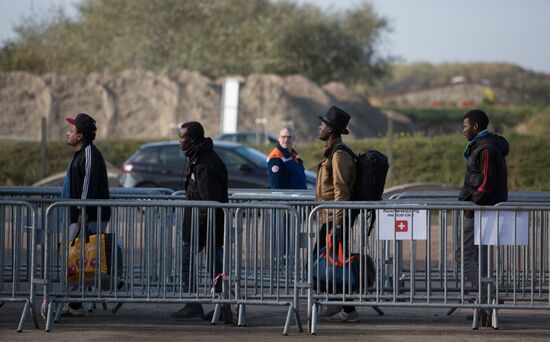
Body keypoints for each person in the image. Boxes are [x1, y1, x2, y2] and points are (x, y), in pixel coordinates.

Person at [171, 121, 229, 320]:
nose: (180, 141)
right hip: (203, 224)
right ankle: (212, 305)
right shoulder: (199, 157)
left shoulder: (205, 161)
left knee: (201, 264)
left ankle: (208, 305)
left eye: (183, 137)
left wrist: (199, 228)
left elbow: (209, 200)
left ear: (193, 139)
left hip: (205, 225)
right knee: (214, 266)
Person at [457, 109, 509, 327]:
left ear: (476, 126)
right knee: (481, 261)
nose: (463, 130)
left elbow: (486, 183)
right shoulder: (482, 146)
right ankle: (487, 308)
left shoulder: (486, 148)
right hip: (482, 210)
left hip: (479, 210)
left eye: (465, 126)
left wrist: (471, 207)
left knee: (463, 257)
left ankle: (491, 297)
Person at [62, 112, 111, 317]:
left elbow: (88, 184)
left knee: (83, 258)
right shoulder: (81, 153)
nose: (68, 133)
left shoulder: (90, 153)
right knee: (79, 259)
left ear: (80, 136)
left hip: (90, 215)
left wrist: (83, 211)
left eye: (71, 131)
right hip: (81, 215)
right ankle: (74, 303)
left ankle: (76, 303)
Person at [315, 105, 358, 323]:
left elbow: (341, 191)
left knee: (332, 262)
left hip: (335, 218)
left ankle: (348, 310)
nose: (319, 127)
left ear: (331, 130)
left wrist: (338, 225)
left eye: (322, 124)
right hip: (329, 217)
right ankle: (336, 303)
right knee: (330, 262)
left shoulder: (340, 155)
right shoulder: (332, 153)